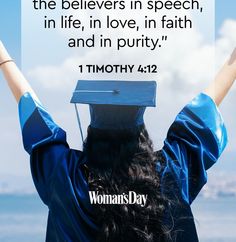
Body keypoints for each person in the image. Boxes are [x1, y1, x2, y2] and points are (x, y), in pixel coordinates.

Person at [0, 40, 235, 242]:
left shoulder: (65, 176)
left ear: (92, 130)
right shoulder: (170, 174)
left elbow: (35, 115)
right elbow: (201, 116)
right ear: (141, 131)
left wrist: (3, 57)